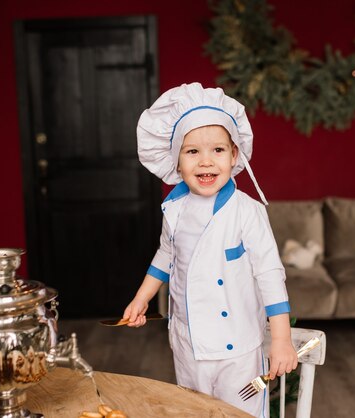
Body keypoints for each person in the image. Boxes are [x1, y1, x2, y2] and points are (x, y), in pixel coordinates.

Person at [122, 82, 298, 417]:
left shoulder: (247, 212)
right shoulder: (174, 209)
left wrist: (280, 340)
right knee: (194, 412)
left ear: (235, 155)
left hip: (239, 349)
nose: (206, 162)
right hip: (189, 344)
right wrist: (142, 297)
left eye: (218, 150)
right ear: (176, 160)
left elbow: (270, 275)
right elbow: (166, 256)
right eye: (192, 152)